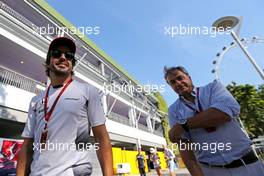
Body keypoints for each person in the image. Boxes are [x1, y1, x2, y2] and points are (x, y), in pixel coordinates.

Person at [16, 37, 113, 176]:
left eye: (68, 55)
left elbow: (102, 139)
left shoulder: (88, 91)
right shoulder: (35, 100)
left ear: (72, 64)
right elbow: (27, 146)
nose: (63, 57)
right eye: (57, 54)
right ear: (48, 62)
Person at [164, 66, 264, 176]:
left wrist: (183, 125)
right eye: (172, 82)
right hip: (211, 170)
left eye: (180, 78)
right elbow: (184, 146)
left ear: (189, 77)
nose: (178, 83)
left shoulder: (213, 88)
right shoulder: (173, 110)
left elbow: (223, 114)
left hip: (248, 166)